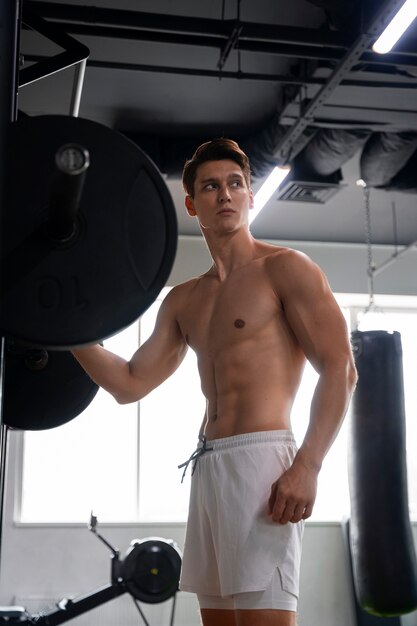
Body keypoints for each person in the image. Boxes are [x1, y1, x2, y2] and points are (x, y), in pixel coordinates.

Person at [72, 138, 357, 626]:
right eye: (210, 186)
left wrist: (308, 465)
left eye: (235, 184)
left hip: (264, 462)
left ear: (248, 195)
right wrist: (67, 333)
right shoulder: (183, 300)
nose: (224, 194)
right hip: (208, 469)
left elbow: (340, 368)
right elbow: (129, 384)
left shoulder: (285, 269)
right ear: (192, 204)